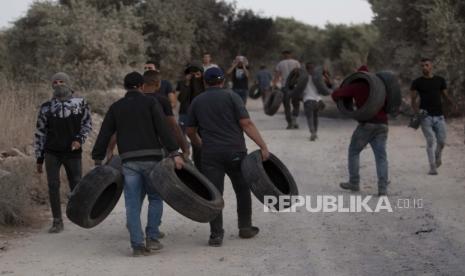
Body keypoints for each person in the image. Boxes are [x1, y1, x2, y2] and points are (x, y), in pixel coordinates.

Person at [92, 72, 184, 256]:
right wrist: (175, 152)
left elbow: (105, 134)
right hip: (152, 159)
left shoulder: (116, 107)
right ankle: (152, 237)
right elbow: (163, 129)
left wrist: (98, 158)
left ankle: (137, 245)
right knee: (155, 198)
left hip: (129, 162)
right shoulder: (151, 103)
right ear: (142, 86)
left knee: (132, 204)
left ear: (126, 87)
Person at [186, 67, 270, 247]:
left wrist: (200, 144)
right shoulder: (232, 96)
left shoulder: (197, 101)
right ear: (223, 81)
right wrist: (262, 145)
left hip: (211, 154)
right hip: (235, 152)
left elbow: (190, 131)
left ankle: (216, 235)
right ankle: (245, 227)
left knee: (215, 193)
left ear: (205, 82)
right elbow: (246, 123)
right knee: (242, 189)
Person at [34, 72, 92, 233]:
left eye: (61, 81)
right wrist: (39, 158)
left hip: (73, 151)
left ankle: (79, 216)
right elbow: (40, 133)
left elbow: (87, 124)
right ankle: (57, 221)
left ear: (68, 83)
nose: (58, 85)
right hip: (52, 152)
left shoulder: (80, 103)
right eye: (55, 82)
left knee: (76, 184)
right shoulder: (46, 107)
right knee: (53, 185)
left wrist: (79, 140)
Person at [331, 66, 389, 196]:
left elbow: (335, 95)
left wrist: (345, 99)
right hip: (382, 125)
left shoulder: (356, 86)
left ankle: (354, 182)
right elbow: (388, 105)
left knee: (354, 151)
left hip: (367, 125)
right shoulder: (381, 87)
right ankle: (382, 188)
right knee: (381, 157)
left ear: (359, 75)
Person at [410, 58, 454, 175]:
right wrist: (417, 112)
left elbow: (445, 96)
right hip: (425, 116)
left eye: (426, 65)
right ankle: (432, 167)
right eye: (422, 66)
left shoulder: (440, 80)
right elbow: (413, 100)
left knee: (442, 141)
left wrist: (451, 105)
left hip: (439, 116)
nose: (424, 67)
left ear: (431, 66)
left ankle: (437, 156)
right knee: (430, 141)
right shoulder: (417, 82)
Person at [176, 63, 205, 169]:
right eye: (190, 73)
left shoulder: (204, 84)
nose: (193, 76)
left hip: (203, 118)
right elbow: (181, 99)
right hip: (187, 114)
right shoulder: (184, 84)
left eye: (196, 73)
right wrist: (187, 83)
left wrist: (200, 78)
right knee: (191, 141)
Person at [302, 62, 332, 141]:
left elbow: (296, 88)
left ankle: (312, 132)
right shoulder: (319, 78)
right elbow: (329, 83)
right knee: (316, 117)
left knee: (310, 118)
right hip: (318, 100)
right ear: (314, 68)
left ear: (306, 69)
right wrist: (325, 74)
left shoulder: (303, 78)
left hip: (307, 100)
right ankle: (315, 132)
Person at [273, 50, 301, 129]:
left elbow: (277, 76)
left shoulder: (280, 63)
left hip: (285, 87)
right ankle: (294, 119)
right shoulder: (296, 63)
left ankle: (289, 123)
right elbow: (299, 74)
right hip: (295, 86)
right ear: (291, 54)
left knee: (286, 105)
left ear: (283, 55)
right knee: (296, 104)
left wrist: (274, 85)